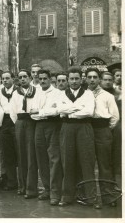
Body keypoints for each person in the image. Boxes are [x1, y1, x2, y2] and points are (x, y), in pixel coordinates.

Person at [56, 67, 97, 208]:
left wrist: (69, 110)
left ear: (81, 79)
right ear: (68, 80)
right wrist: (77, 108)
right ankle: (67, 196)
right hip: (67, 128)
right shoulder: (62, 94)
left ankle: (92, 197)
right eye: (71, 79)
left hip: (84, 127)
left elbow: (89, 111)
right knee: (67, 161)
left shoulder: (88, 94)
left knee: (87, 161)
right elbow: (59, 110)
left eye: (76, 78)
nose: (74, 81)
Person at [86, 68, 119, 207]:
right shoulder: (83, 94)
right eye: (89, 77)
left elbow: (115, 117)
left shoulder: (107, 96)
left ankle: (108, 196)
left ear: (99, 79)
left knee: (104, 165)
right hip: (86, 129)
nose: (92, 79)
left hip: (102, 129)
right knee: (87, 164)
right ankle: (89, 197)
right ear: (86, 79)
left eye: (95, 77)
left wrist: (105, 129)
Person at [29, 69, 63, 205]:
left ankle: (56, 192)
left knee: (54, 158)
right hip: (38, 126)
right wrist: (43, 112)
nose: (42, 81)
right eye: (40, 78)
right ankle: (47, 189)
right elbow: (31, 112)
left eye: (45, 78)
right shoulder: (36, 92)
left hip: (53, 125)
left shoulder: (58, 93)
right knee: (41, 157)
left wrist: (40, 111)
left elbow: (56, 111)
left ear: (50, 79)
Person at [10, 69, 38, 199]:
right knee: (21, 154)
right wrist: (19, 124)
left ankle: (31, 188)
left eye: (25, 76)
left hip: (32, 121)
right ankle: (22, 186)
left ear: (30, 77)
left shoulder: (36, 91)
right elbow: (12, 112)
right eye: (20, 77)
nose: (22, 79)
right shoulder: (16, 93)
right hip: (20, 123)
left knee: (31, 154)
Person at [0, 71, 18, 191]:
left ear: (13, 79)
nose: (5, 81)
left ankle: (22, 182)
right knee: (7, 152)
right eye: (3, 78)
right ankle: (11, 181)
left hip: (16, 121)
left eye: (7, 78)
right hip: (4, 121)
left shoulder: (18, 91)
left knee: (19, 151)